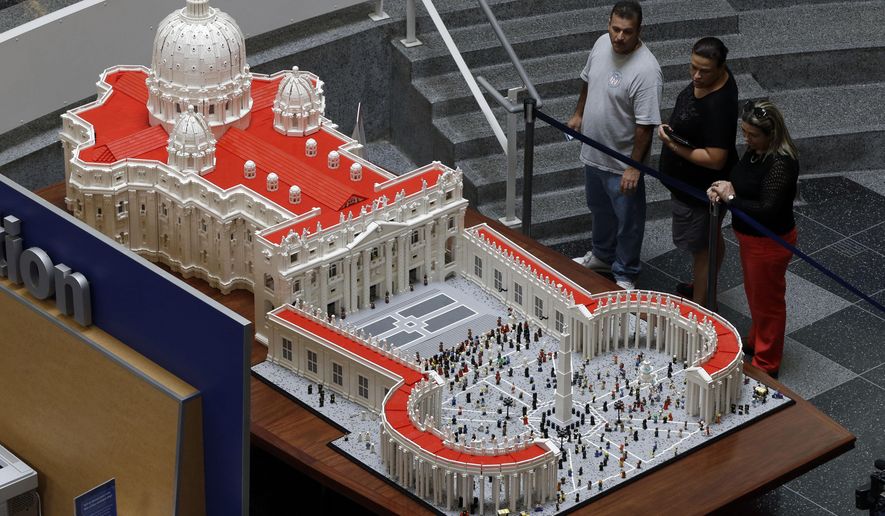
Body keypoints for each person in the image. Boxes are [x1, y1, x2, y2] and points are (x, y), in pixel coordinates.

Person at [568, 1, 663, 291]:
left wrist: (634, 168)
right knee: (599, 208)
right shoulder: (600, 44)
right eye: (615, 29)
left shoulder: (647, 71)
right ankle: (602, 256)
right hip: (594, 152)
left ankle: (625, 272)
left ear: (639, 31)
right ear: (608, 24)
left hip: (621, 162)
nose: (619, 37)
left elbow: (645, 126)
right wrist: (579, 113)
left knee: (628, 220)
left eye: (627, 32)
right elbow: (588, 81)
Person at [707, 100, 799, 378]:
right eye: (744, 132)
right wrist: (723, 187)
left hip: (768, 242)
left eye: (752, 134)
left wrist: (730, 197)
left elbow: (767, 209)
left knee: (767, 301)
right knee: (756, 294)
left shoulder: (782, 163)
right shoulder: (755, 151)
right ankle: (758, 339)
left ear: (772, 134)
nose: (746, 139)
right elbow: (742, 183)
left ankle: (767, 361)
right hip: (751, 240)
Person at [658, 37, 738, 306]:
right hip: (688, 184)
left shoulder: (719, 105)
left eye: (704, 71)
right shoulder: (713, 81)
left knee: (702, 248)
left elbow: (715, 159)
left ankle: (703, 304)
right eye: (693, 67)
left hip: (699, 190)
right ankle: (704, 286)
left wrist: (671, 144)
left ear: (721, 67)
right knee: (709, 240)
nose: (696, 75)